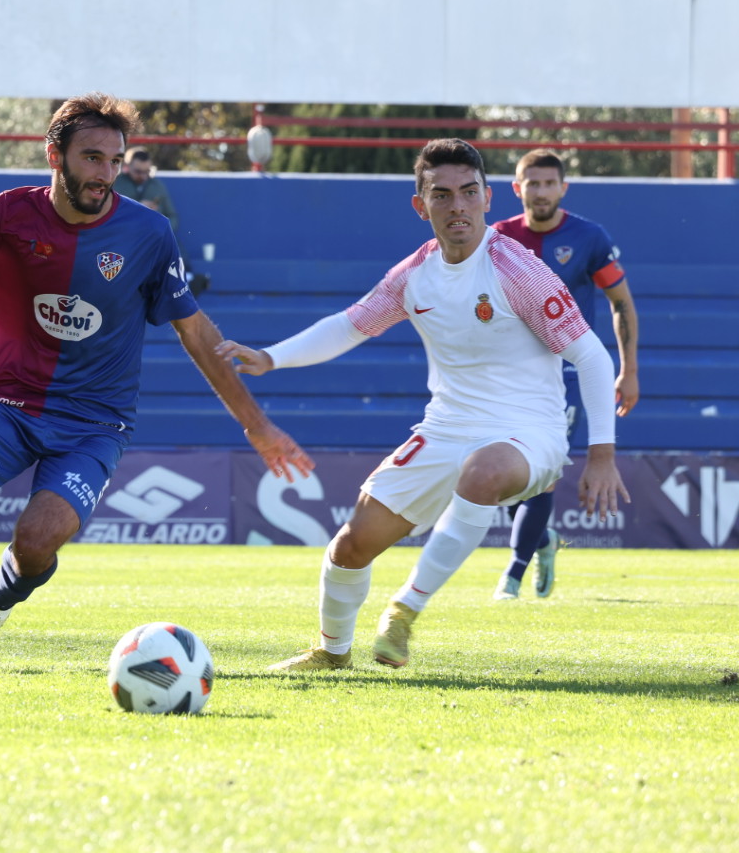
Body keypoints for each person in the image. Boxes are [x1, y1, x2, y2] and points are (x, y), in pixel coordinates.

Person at [0, 93, 313, 671]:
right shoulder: (8, 215)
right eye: (92, 158)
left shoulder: (149, 233)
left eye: (114, 160)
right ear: (54, 155)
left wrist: (259, 427)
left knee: (35, 540)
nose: (106, 174)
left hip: (94, 425)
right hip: (8, 405)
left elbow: (197, 334)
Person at [216, 138, 629, 672]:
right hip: (445, 429)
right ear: (421, 205)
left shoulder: (517, 270)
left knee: (482, 472)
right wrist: (270, 357)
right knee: (351, 546)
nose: (457, 205)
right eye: (442, 194)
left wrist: (601, 455)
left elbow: (592, 357)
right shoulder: (413, 275)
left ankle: (404, 612)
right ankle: (331, 652)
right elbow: (349, 325)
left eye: (468, 192)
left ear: (487, 199)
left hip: (531, 431)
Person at [488, 150, 641, 601]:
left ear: (563, 188)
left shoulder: (589, 238)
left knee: (545, 471)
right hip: (511, 378)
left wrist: (628, 369)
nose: (540, 192)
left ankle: (512, 576)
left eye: (548, 183)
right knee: (505, 476)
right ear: (517, 189)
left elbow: (622, 303)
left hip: (568, 376)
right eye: (531, 184)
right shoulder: (497, 239)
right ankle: (543, 541)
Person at [114, 147, 209, 296]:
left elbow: (173, 216)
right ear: (127, 167)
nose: (143, 176)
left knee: (172, 242)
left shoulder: (157, 185)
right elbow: (110, 215)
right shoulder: (116, 184)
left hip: (154, 235)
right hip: (128, 235)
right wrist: (139, 207)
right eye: (138, 171)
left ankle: (186, 278)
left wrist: (160, 223)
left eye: (147, 172)